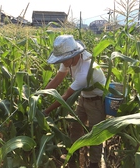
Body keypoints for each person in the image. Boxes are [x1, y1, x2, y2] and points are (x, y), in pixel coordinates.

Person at [43, 34, 106, 168]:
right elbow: (57, 79)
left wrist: (46, 111)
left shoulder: (86, 70)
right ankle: (74, 152)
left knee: (95, 133)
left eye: (63, 59)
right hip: (83, 97)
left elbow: (65, 97)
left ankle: (94, 163)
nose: (62, 62)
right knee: (75, 126)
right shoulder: (68, 61)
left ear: (73, 56)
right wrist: (41, 94)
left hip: (97, 102)